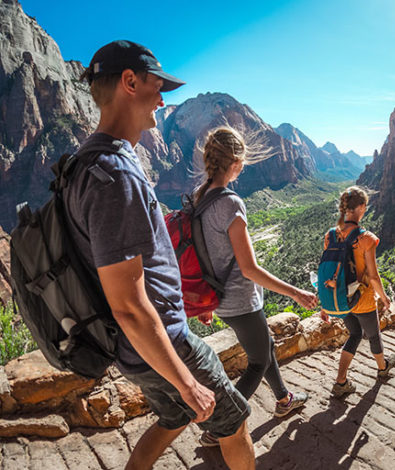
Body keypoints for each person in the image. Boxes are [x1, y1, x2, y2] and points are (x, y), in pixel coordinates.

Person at [69, 40, 253, 470]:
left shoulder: (83, 162)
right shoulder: (115, 174)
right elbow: (129, 304)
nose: (163, 97)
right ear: (130, 82)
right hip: (164, 343)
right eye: (158, 85)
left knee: (172, 418)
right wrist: (187, 381)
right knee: (234, 421)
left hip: (132, 348)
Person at [192, 127, 318, 446]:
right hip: (241, 301)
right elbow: (249, 269)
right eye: (242, 160)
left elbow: (201, 252)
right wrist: (296, 293)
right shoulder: (230, 202)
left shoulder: (200, 196)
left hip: (219, 299)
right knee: (258, 361)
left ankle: (283, 399)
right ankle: (220, 427)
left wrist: (205, 304)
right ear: (234, 160)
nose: (244, 166)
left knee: (266, 347)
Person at [320, 187, 395, 397]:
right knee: (373, 335)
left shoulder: (330, 235)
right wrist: (384, 297)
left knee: (354, 333)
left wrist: (324, 303)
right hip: (361, 299)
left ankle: (341, 381)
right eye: (365, 205)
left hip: (341, 299)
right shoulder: (367, 239)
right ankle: (383, 368)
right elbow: (373, 276)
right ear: (361, 207)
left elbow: (328, 269)